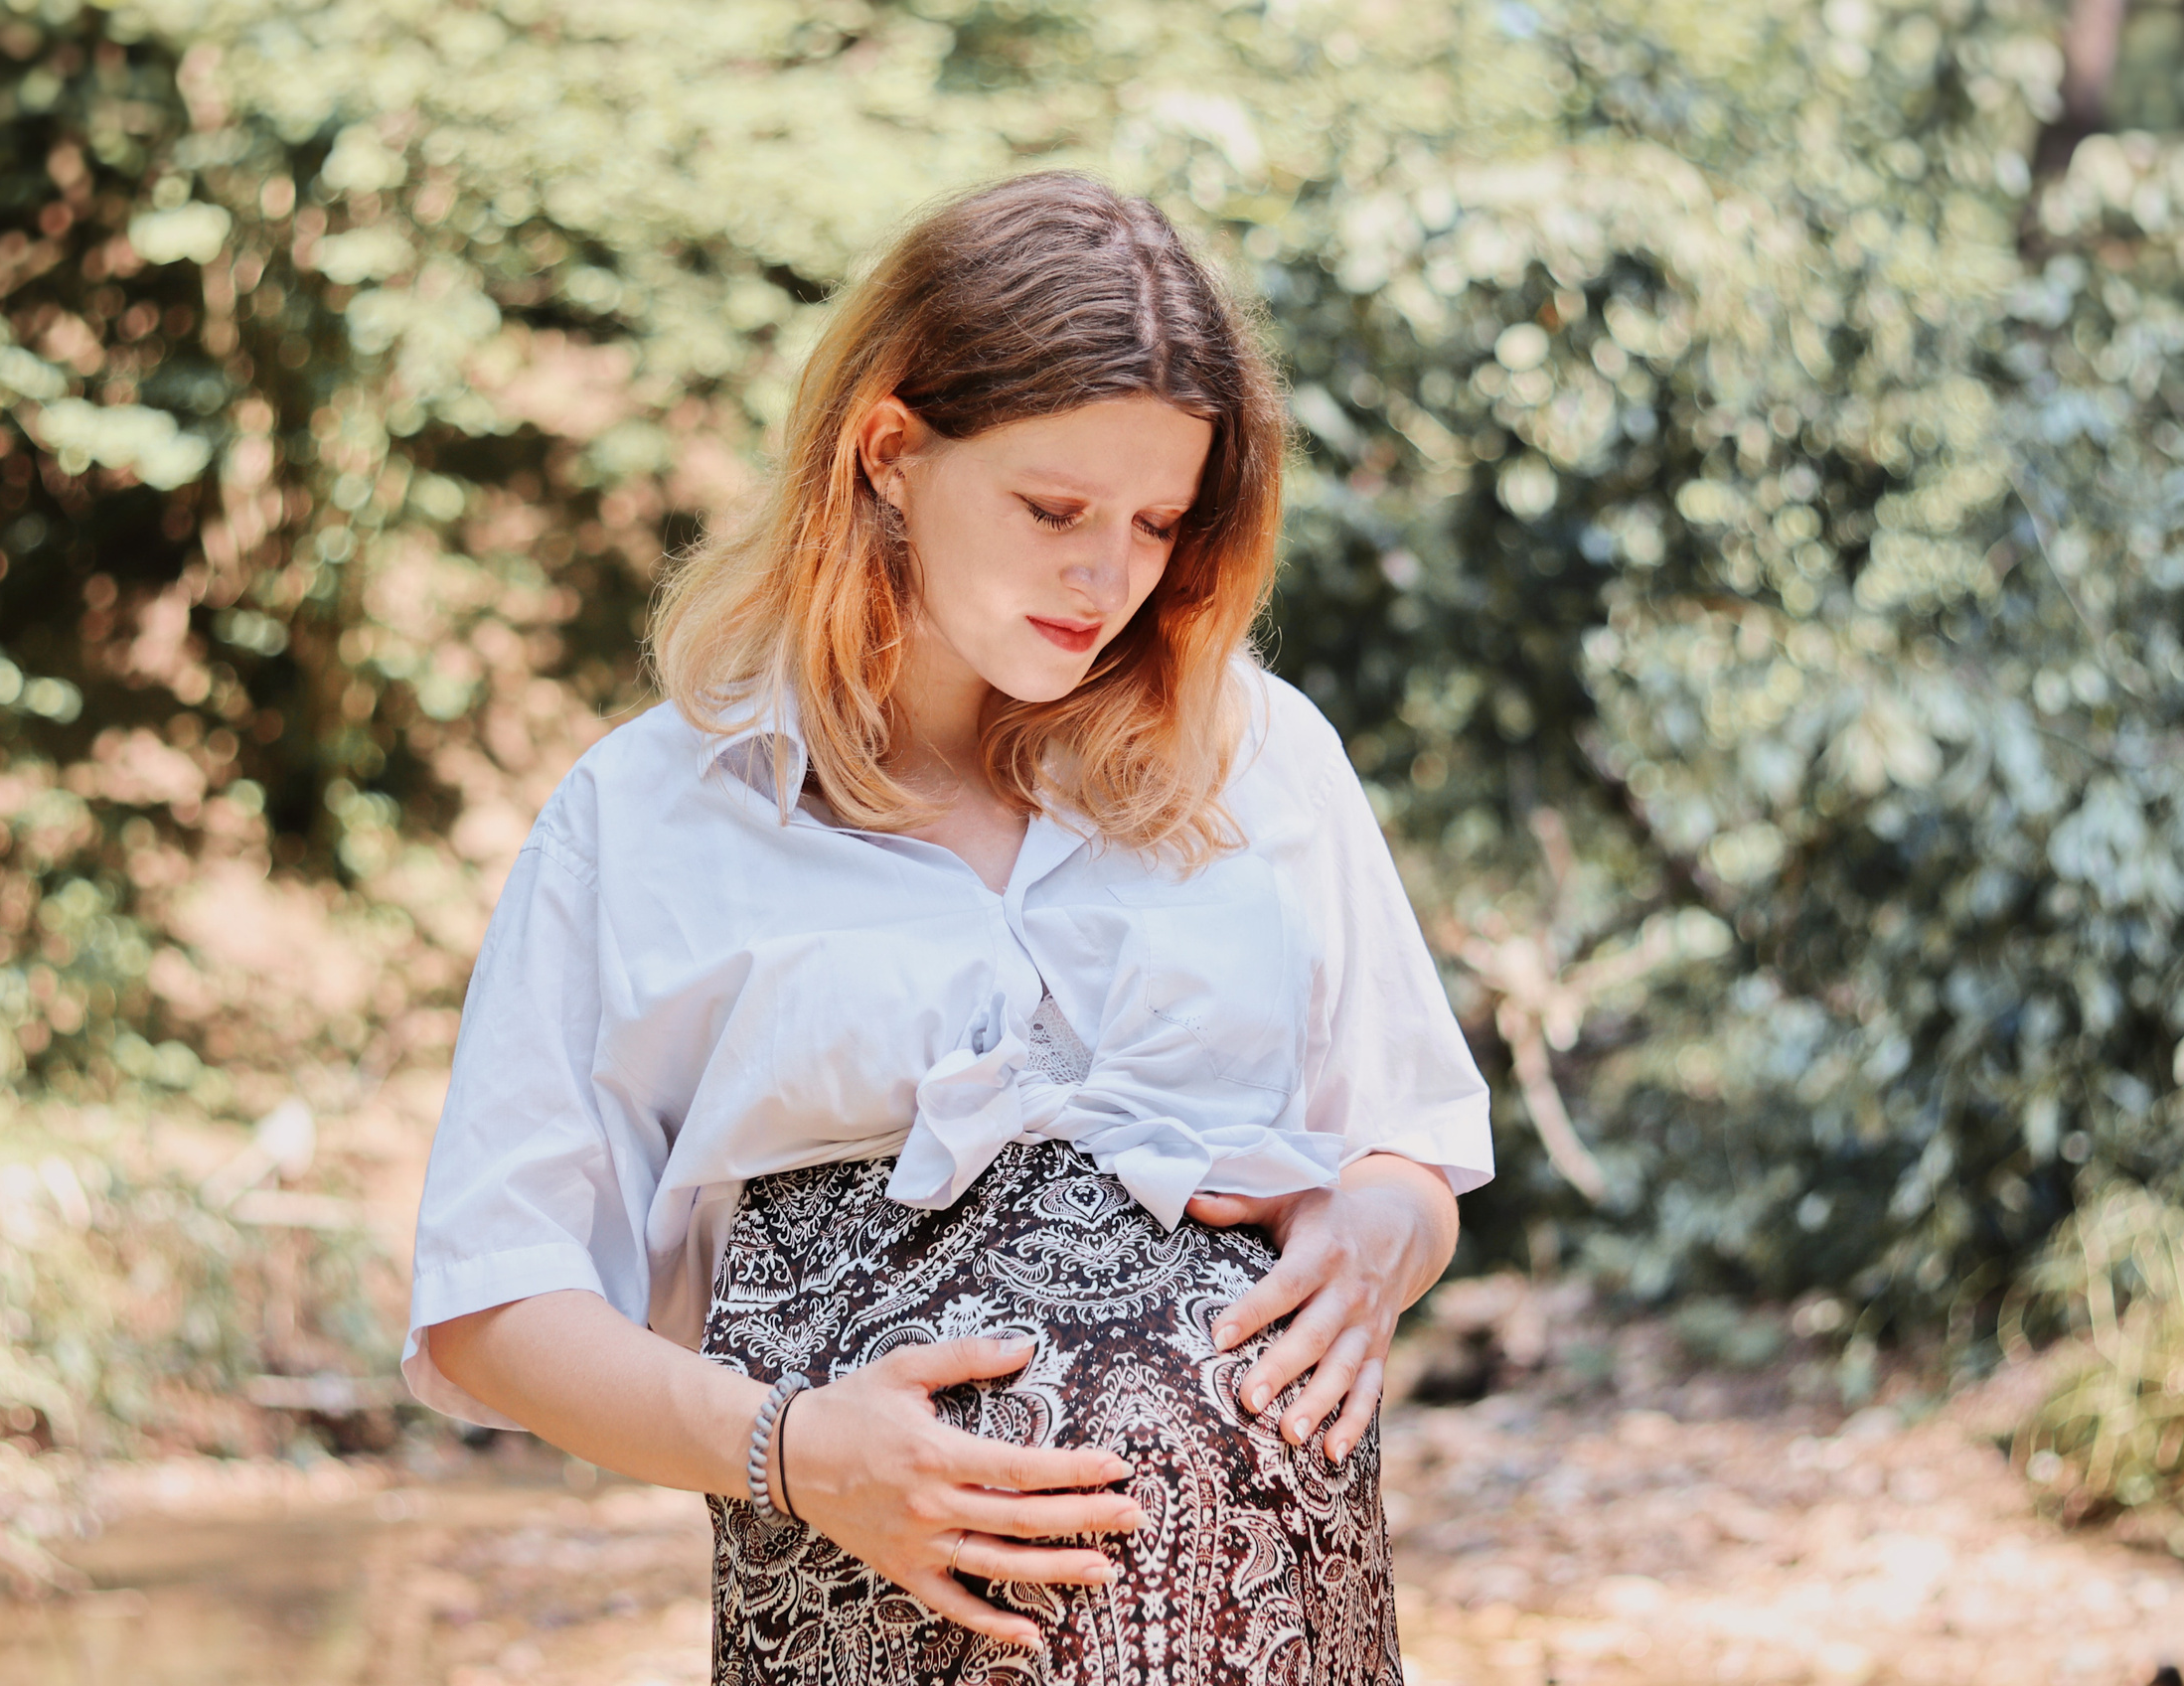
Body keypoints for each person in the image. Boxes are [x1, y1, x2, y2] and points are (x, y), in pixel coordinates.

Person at [403, 172, 1492, 1685]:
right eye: (1052, 508)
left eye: (1158, 522)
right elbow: (490, 1304)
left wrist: (1381, 1230)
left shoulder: (1261, 750)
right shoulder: (651, 811)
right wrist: (796, 1450)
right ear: (891, 449)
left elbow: (1407, 1139)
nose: (1109, 576)